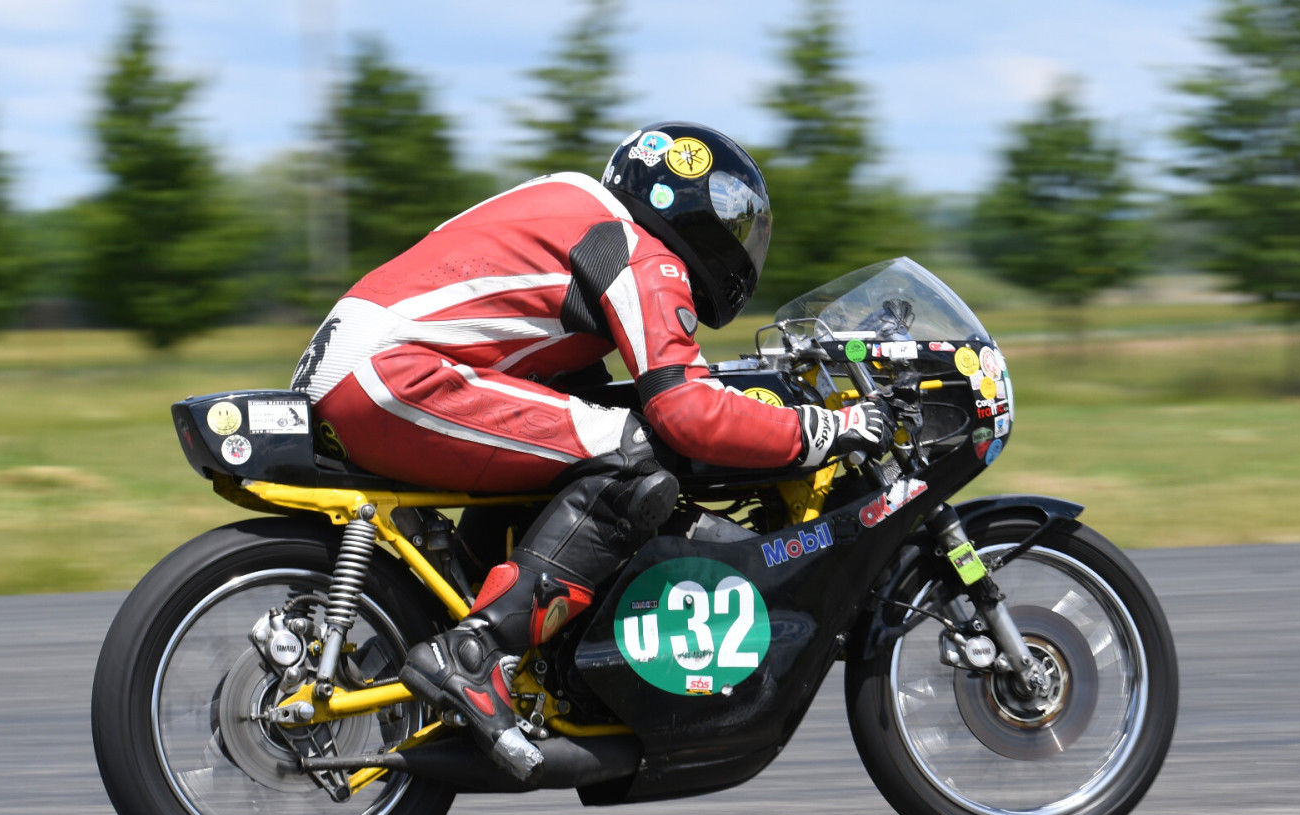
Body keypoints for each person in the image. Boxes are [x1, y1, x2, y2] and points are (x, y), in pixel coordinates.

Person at [291, 121, 892, 781]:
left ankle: (450, 639)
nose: (741, 245)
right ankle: (475, 654)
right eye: (734, 226)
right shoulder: (637, 250)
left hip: (359, 366)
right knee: (635, 456)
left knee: (578, 447)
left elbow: (586, 389)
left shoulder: (572, 208)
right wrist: (820, 429)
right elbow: (684, 411)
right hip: (394, 374)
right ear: (690, 213)